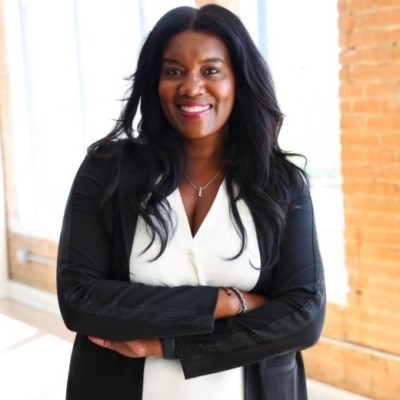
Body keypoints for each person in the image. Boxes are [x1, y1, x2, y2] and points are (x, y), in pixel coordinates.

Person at [57, 4, 325, 400]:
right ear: (155, 82)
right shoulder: (107, 170)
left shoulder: (280, 184)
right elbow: (80, 301)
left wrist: (169, 346)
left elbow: (303, 316)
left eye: (211, 70)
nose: (192, 87)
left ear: (239, 80)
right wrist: (229, 301)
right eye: (173, 71)